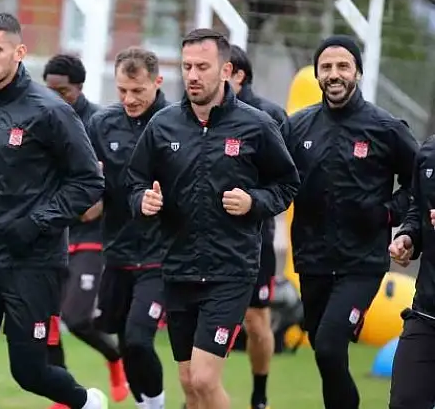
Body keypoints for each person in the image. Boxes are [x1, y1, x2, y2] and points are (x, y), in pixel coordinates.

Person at [0, 13, 108, 409]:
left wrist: (36, 223)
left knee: (29, 372)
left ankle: (87, 403)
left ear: (19, 52)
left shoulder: (51, 111)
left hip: (32, 262)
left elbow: (88, 182)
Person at [125, 28, 299, 409]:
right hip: (178, 268)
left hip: (230, 271)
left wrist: (253, 201)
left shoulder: (256, 125)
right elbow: (134, 181)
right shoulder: (163, 125)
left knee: (204, 378)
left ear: (226, 70)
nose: (192, 75)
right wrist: (143, 200)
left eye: (202, 66)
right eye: (187, 66)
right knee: (189, 383)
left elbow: (288, 184)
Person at [284, 35, 418, 409]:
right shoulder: (297, 128)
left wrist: (390, 214)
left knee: (329, 345)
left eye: (343, 66)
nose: (334, 74)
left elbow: (421, 180)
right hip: (311, 260)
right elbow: (273, 177)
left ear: (357, 72)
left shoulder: (385, 128)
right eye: (326, 67)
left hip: (362, 262)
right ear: (317, 74)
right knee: (326, 352)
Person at [42, 54, 129, 407]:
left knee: (76, 319)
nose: (55, 97)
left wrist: (100, 199)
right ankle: (65, 394)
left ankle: (115, 357)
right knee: (46, 321)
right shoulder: (41, 118)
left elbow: (111, 180)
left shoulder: (98, 123)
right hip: (52, 234)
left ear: (79, 88)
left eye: (62, 91)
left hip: (91, 235)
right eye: (49, 90)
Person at [87, 46, 169, 409]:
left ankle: (157, 404)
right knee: (125, 341)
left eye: (138, 90)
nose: (129, 99)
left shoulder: (177, 122)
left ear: (157, 82)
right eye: (122, 90)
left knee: (138, 338)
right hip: (118, 253)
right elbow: (89, 188)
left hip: (161, 255)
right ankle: (144, 403)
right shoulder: (102, 124)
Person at [227, 44, 288, 409]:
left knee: (254, 319)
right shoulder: (193, 115)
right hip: (203, 239)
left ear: (238, 74)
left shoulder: (269, 116)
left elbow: (288, 180)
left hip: (255, 238)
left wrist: (254, 202)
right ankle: (200, 391)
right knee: (200, 318)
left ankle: (259, 394)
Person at [388, 139, 435, 409]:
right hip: (428, 311)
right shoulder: (429, 153)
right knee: (405, 401)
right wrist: (408, 237)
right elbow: (419, 210)